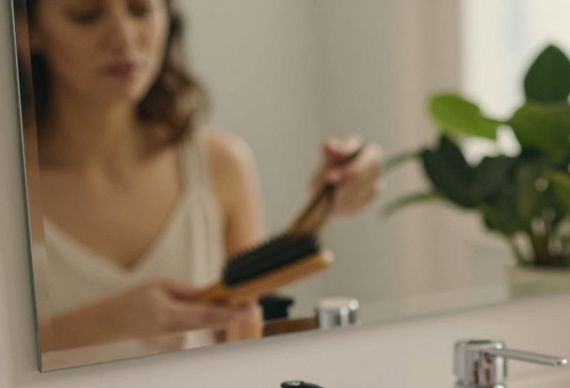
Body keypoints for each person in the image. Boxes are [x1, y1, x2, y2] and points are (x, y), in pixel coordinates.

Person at [15, 0, 382, 352]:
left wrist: (329, 199)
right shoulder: (12, 189)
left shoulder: (219, 166)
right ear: (27, 30)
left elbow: (245, 342)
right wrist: (116, 320)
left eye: (141, 9)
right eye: (85, 15)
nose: (123, 37)